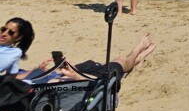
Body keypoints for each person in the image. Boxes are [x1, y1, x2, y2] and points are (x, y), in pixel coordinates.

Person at [27, 33, 156, 84]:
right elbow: (95, 84)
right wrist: (75, 75)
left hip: (71, 73)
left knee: (114, 62)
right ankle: (137, 51)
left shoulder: (20, 87)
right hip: (87, 79)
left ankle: (138, 59)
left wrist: (41, 70)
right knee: (121, 61)